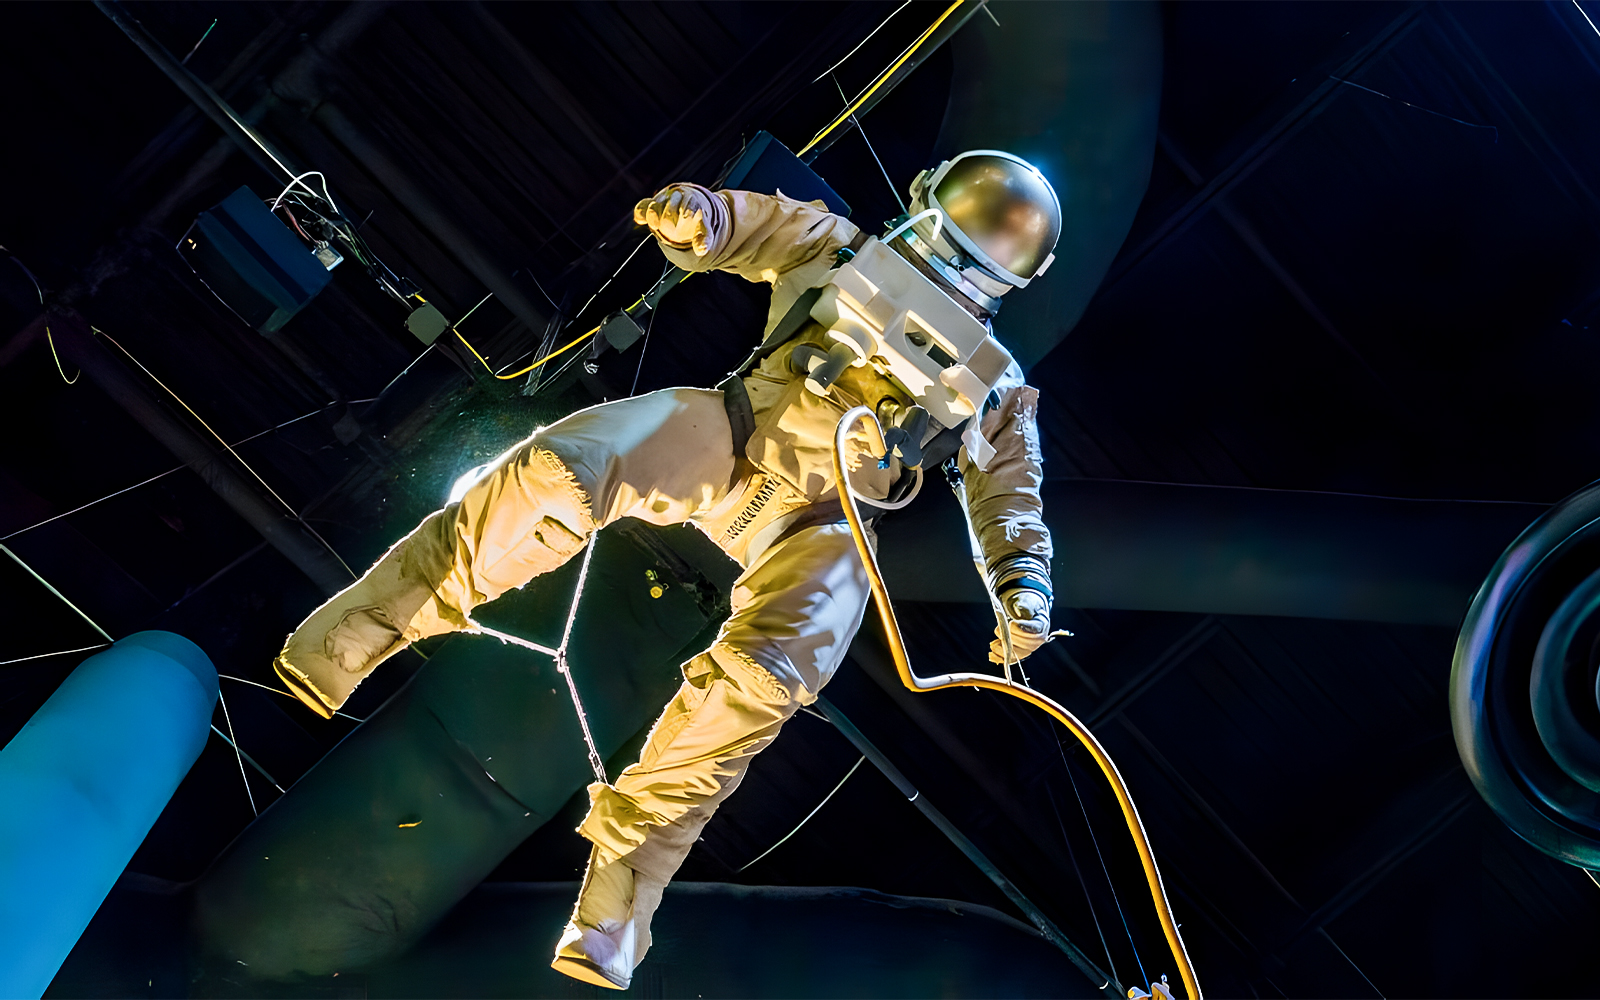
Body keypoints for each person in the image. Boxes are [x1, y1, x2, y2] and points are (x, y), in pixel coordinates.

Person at [272, 150, 1061, 990]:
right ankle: (360, 630)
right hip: (731, 432)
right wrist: (699, 217)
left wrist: (1024, 588)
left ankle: (617, 902)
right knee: (560, 474)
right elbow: (749, 225)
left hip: (823, 521)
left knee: (770, 674)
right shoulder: (839, 251)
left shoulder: (996, 388)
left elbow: (1012, 497)